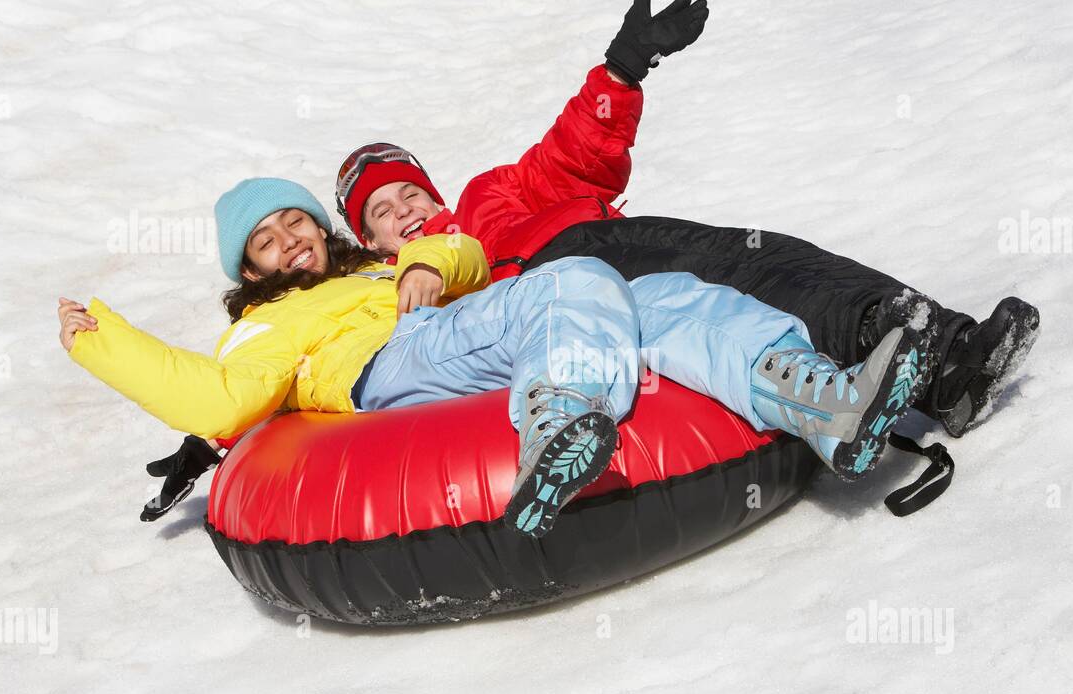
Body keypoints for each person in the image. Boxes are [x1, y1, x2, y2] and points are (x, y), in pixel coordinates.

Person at [140, 0, 1038, 517]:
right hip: (573, 291)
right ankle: (892, 375)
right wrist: (212, 439)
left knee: (765, 261)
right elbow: (292, 352)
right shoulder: (391, 295)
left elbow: (570, 156)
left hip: (601, 244)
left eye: (414, 196)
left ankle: (936, 349)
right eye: (385, 215)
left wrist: (619, 72)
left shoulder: (491, 203)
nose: (408, 214)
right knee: (719, 287)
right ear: (365, 243)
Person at [63, 178, 930, 539]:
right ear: (247, 270)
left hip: (457, 331)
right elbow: (221, 403)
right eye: (264, 240)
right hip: (387, 374)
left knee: (666, 297)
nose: (288, 241)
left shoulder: (378, 263)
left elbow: (469, 256)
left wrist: (427, 264)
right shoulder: (264, 325)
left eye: (293, 222)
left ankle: (822, 404)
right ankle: (558, 423)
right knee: (577, 274)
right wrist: (105, 340)